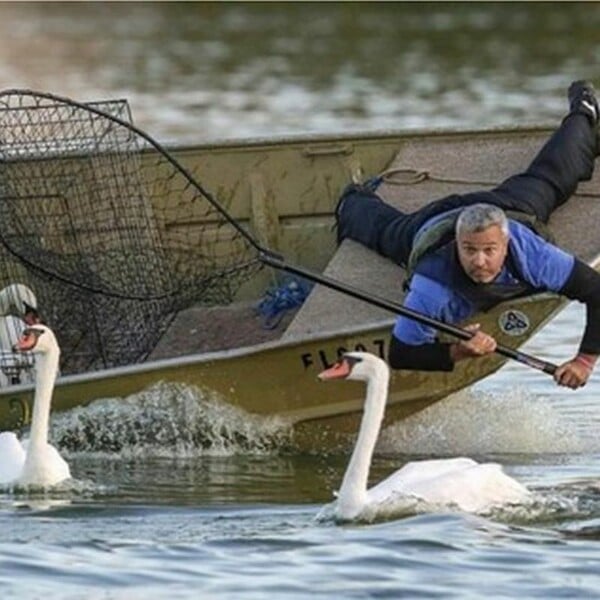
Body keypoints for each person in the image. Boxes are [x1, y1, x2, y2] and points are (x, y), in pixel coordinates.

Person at [336, 80, 600, 390]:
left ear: (506, 245)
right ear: (458, 248)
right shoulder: (431, 286)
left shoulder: (532, 253)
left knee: (555, 175)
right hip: (431, 226)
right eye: (470, 251)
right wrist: (458, 351)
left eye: (490, 251)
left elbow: (596, 291)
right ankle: (350, 199)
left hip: (508, 207)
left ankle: (583, 110)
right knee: (378, 229)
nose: (479, 261)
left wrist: (584, 360)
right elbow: (401, 353)